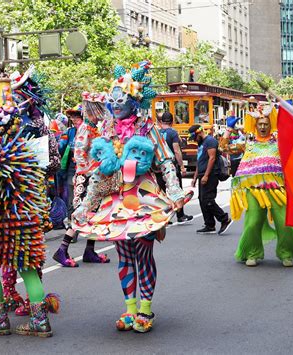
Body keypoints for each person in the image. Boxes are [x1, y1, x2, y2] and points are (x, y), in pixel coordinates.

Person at [72, 61, 190, 333]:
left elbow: (166, 162)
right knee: (124, 255)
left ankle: (145, 310)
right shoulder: (107, 129)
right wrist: (86, 205)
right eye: (111, 100)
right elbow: (101, 173)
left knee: (144, 254)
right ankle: (130, 309)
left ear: (134, 101)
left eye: (120, 99)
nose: (114, 104)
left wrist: (174, 190)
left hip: (143, 197)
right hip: (115, 199)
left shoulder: (147, 128)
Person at [0, 77, 59, 337]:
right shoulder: (29, 155)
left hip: (1, 226)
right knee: (28, 268)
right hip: (27, 221)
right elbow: (38, 188)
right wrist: (41, 218)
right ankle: (40, 322)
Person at [231, 105, 293, 267]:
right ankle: (252, 252)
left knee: (283, 222)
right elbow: (225, 148)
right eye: (260, 124)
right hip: (254, 190)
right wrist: (228, 130)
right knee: (252, 222)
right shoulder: (247, 143)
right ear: (255, 125)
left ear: (270, 124)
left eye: (266, 123)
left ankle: (287, 253)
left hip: (277, 189)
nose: (263, 127)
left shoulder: (279, 142)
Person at [53, 92, 110, 267]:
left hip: (94, 177)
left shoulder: (95, 128)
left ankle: (89, 250)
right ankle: (62, 250)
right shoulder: (85, 128)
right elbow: (78, 154)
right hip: (86, 178)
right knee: (82, 214)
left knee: (94, 214)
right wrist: (90, 171)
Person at [189, 124, 232, 235]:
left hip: (211, 174)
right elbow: (200, 161)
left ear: (198, 133)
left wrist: (206, 175)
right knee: (202, 199)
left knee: (208, 199)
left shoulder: (210, 141)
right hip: (202, 174)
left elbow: (212, 158)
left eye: (194, 137)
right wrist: (195, 177)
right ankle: (209, 224)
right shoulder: (201, 143)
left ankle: (224, 218)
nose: (194, 140)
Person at [155, 112, 193, 224]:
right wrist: (181, 166)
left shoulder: (157, 132)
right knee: (176, 189)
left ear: (161, 121)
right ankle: (180, 215)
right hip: (170, 166)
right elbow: (176, 150)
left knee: (161, 191)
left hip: (158, 166)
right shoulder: (173, 133)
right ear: (172, 122)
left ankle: (163, 217)